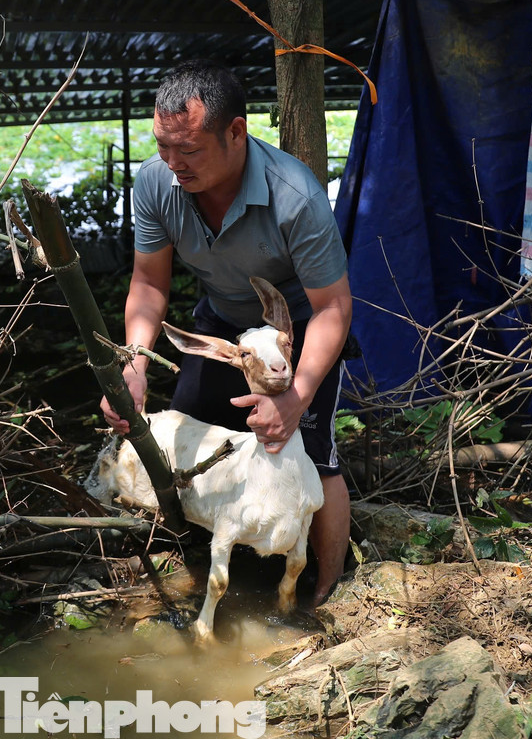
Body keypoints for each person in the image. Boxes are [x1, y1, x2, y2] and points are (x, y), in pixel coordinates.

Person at [100, 58, 353, 610]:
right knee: (190, 437)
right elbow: (147, 283)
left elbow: (333, 307)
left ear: (236, 132)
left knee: (312, 453)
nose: (171, 164)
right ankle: (203, 568)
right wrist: (134, 365)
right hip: (221, 326)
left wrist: (295, 395)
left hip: (295, 329)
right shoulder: (156, 183)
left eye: (187, 150)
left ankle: (326, 596)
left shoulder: (295, 195)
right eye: (163, 147)